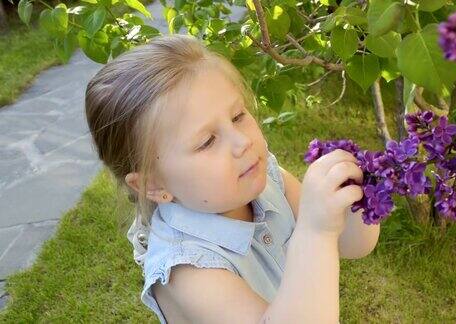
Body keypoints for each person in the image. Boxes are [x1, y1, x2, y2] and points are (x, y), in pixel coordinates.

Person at [84, 34, 379, 323]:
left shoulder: (270, 181)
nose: (242, 142)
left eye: (238, 116)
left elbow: (351, 246)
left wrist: (358, 200)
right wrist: (315, 231)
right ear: (154, 185)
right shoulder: (188, 271)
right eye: (207, 142)